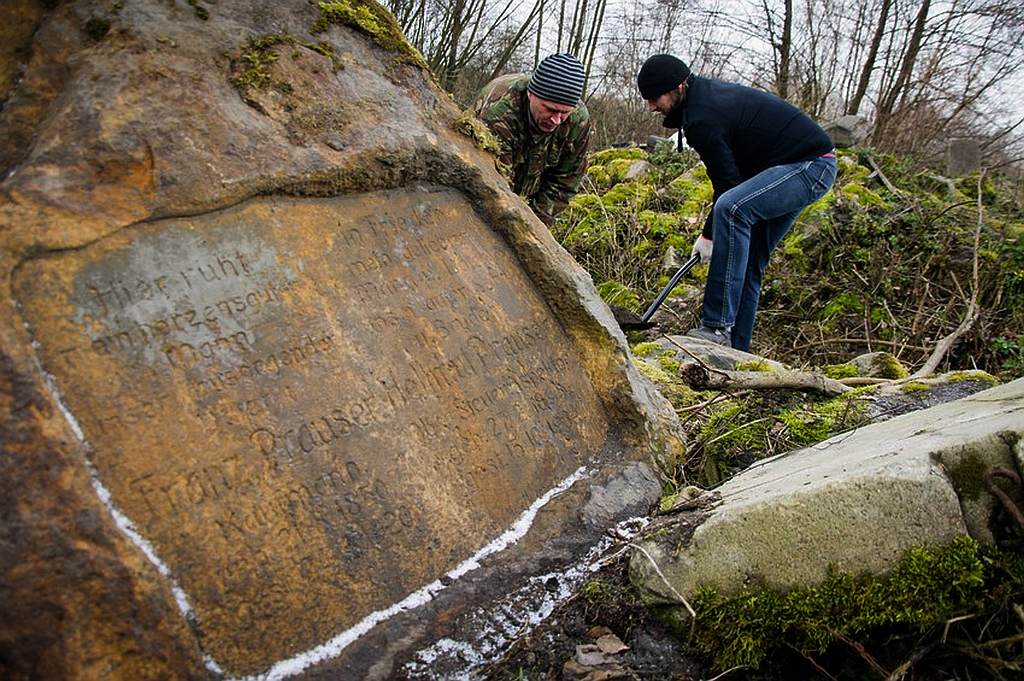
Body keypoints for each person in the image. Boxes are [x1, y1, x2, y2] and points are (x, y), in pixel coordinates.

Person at [637, 54, 837, 351]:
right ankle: (735, 351)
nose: (652, 106)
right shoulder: (703, 101)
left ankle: (717, 327)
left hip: (808, 167)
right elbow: (733, 178)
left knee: (732, 210)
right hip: (793, 168)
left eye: (655, 98)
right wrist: (710, 233)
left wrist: (708, 235)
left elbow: (727, 189)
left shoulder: (702, 116)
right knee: (751, 256)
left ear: (678, 87)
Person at [474, 53, 592, 225]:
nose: (556, 120)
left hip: (531, 194)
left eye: (565, 112)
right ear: (531, 94)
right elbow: (492, 184)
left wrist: (535, 226)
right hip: (485, 191)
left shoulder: (578, 121)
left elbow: (564, 184)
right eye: (550, 109)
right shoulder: (498, 110)